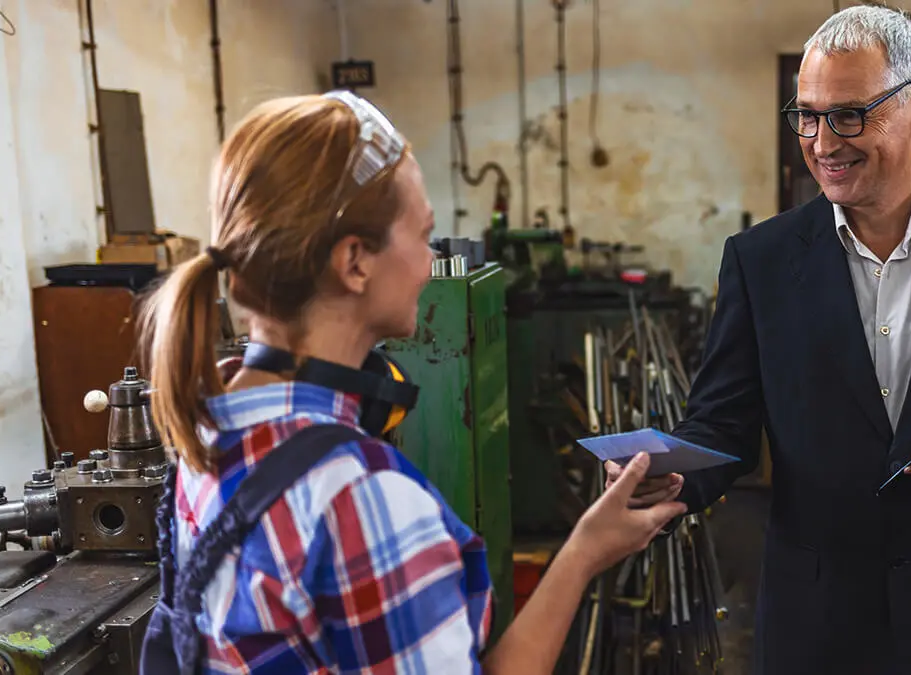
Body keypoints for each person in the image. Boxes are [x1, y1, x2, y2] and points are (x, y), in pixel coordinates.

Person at [605, 6, 911, 674]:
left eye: (849, 114)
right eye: (807, 114)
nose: (823, 141)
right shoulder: (761, 261)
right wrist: (666, 477)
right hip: (817, 622)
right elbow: (722, 424)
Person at [137, 90, 685, 674]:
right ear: (355, 262)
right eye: (423, 237)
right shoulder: (362, 496)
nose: (430, 263)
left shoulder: (206, 427)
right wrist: (583, 554)